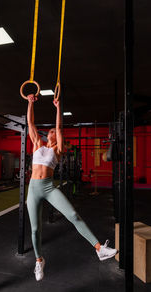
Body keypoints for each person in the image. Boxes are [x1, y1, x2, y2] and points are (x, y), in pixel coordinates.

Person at [26, 94, 117, 281]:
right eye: (50, 131)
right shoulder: (37, 144)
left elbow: (59, 126)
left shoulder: (57, 150)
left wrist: (58, 107)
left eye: (54, 131)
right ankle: (39, 260)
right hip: (33, 189)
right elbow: (30, 122)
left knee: (73, 215)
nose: (52, 131)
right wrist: (30, 103)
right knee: (35, 229)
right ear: (46, 135)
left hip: (49, 187)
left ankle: (99, 249)